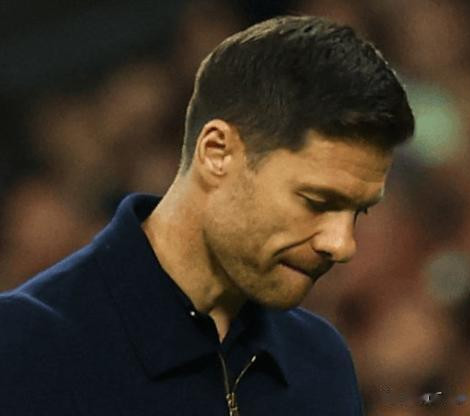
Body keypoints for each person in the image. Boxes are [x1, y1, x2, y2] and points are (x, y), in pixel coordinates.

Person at [0, 15, 414, 416]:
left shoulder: (322, 361)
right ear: (217, 152)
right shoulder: (27, 346)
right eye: (317, 202)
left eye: (359, 211)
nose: (342, 245)